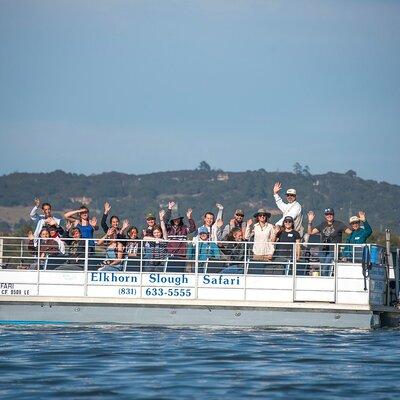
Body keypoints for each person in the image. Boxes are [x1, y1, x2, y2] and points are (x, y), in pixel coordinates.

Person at [307, 208, 352, 276]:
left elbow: (350, 232)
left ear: (333, 215)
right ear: (325, 216)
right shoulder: (322, 224)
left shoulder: (339, 224)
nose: (329, 216)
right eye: (327, 214)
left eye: (330, 214)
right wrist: (310, 221)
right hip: (322, 250)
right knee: (323, 267)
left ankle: (325, 280)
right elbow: (310, 232)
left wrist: (356, 228)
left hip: (333, 250)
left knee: (325, 267)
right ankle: (326, 280)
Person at [163, 201, 196, 271]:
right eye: (175, 219)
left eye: (178, 219)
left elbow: (193, 228)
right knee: (169, 271)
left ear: (180, 219)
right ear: (172, 220)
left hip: (181, 254)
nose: (176, 220)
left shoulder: (184, 228)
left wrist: (190, 218)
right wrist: (169, 209)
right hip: (170, 253)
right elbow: (165, 221)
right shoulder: (168, 228)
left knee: (180, 271)